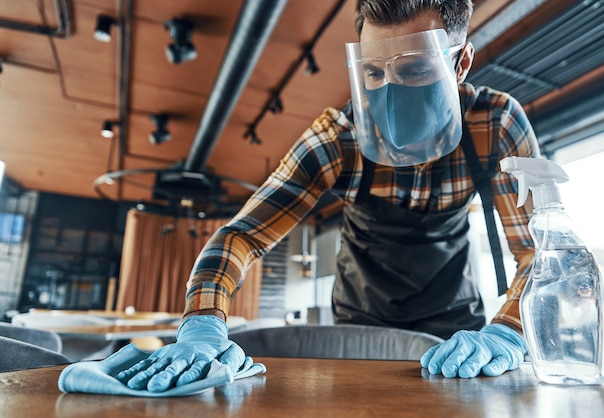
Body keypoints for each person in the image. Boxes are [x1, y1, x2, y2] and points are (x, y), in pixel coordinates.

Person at [114, 0, 539, 391]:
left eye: (414, 69)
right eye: (374, 72)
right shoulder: (337, 140)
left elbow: (538, 250)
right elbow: (240, 237)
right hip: (360, 326)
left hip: (455, 327)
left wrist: (509, 329)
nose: (390, 94)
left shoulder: (496, 126)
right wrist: (203, 323)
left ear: (461, 61)